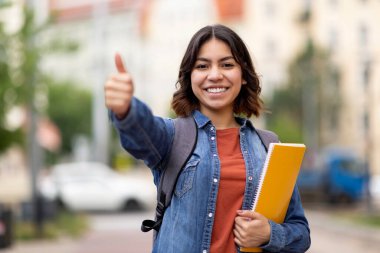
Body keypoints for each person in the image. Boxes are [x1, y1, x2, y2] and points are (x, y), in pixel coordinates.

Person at [104, 24, 310, 253]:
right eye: (202, 66)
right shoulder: (173, 137)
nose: (214, 75)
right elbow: (141, 133)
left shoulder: (269, 146)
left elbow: (301, 233)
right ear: (190, 77)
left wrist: (270, 234)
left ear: (243, 75)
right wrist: (126, 109)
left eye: (227, 65)